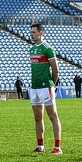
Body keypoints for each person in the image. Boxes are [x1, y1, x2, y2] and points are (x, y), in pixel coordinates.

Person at [28, 23, 62, 155]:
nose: (32, 34)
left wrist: (51, 84)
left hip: (45, 86)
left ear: (41, 33)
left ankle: (57, 147)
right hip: (34, 87)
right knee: (37, 117)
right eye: (31, 32)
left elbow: (55, 69)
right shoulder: (32, 49)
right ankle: (40, 146)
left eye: (34, 32)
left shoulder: (47, 48)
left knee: (53, 116)